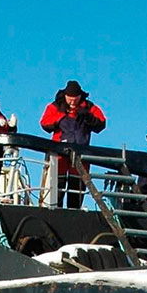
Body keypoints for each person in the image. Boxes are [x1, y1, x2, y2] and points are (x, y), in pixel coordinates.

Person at [40, 80, 106, 208]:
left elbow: (101, 124)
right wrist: (59, 119)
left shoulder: (89, 107)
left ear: (80, 96)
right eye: (69, 99)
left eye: (74, 99)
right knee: (57, 187)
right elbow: (44, 123)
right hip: (59, 156)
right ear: (65, 96)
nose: (71, 102)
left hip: (81, 156)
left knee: (77, 189)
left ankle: (75, 212)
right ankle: (56, 211)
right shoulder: (56, 106)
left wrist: (87, 116)